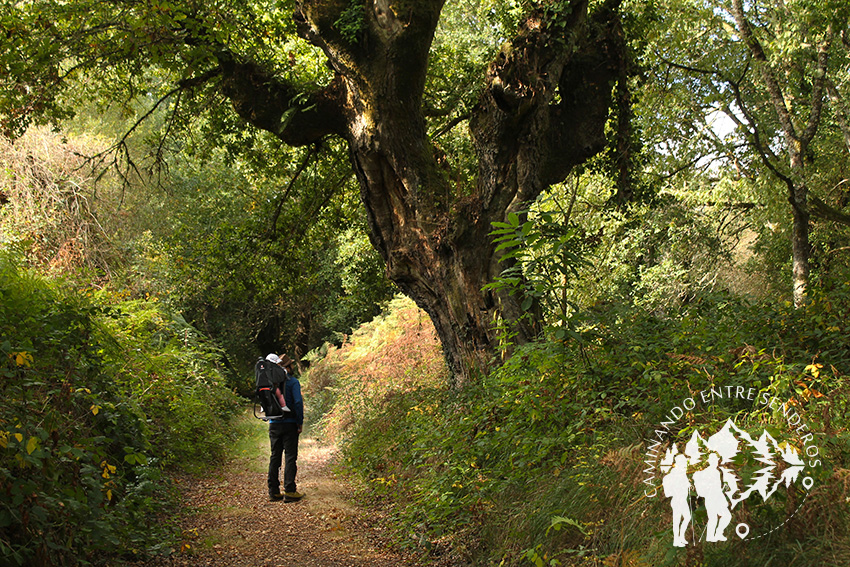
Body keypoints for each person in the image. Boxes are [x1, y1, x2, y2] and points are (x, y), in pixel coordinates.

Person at [265, 353, 304, 503]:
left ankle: (273, 492)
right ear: (287, 366)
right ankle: (290, 491)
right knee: (290, 457)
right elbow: (298, 402)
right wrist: (299, 422)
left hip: (274, 424)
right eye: (291, 364)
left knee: (275, 456)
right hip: (289, 423)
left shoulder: (269, 381)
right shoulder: (293, 382)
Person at [662, 452, 692, 547]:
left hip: (682, 499)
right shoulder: (674, 474)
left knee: (687, 517)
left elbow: (686, 484)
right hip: (677, 499)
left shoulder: (682, 473)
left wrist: (689, 486)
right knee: (677, 520)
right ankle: (676, 540)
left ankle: (681, 537)